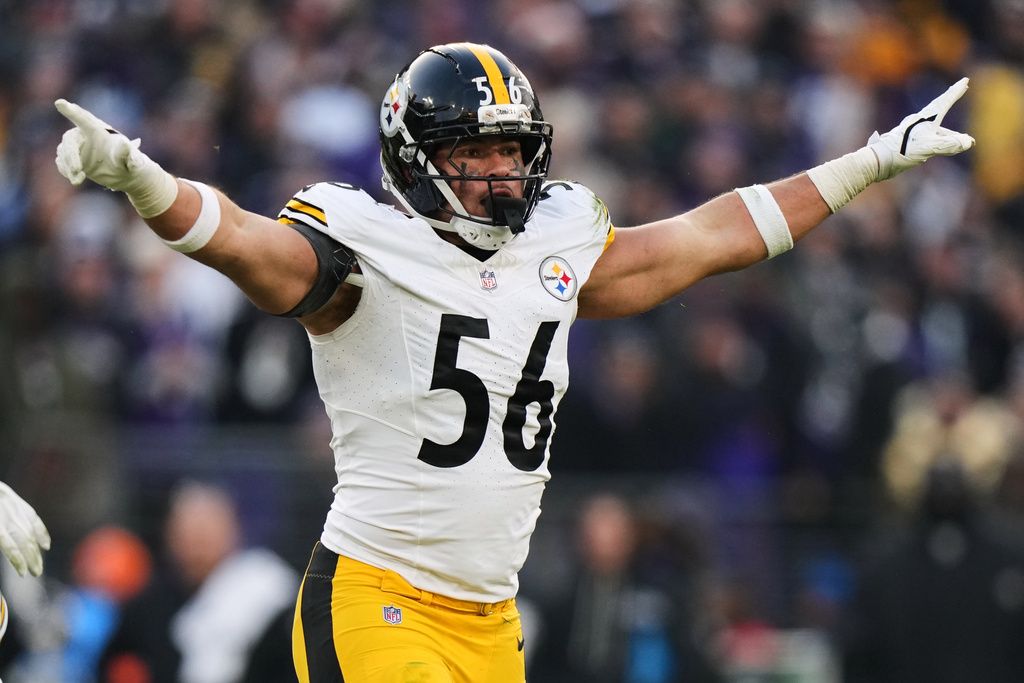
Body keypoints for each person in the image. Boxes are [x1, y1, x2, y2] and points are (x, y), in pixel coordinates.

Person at [52, 42, 974, 683]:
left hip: (490, 618)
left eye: (510, 150)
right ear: (415, 162)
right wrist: (145, 180)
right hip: (377, 597)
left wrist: (863, 164)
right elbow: (244, 245)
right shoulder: (365, 246)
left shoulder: (557, 239)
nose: (501, 174)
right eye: (475, 152)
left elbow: (705, 239)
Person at [99, 481, 299, 683]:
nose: (197, 545)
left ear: (234, 532)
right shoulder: (148, 606)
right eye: (188, 532)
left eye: (206, 532)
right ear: (170, 536)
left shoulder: (266, 594)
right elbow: (112, 662)